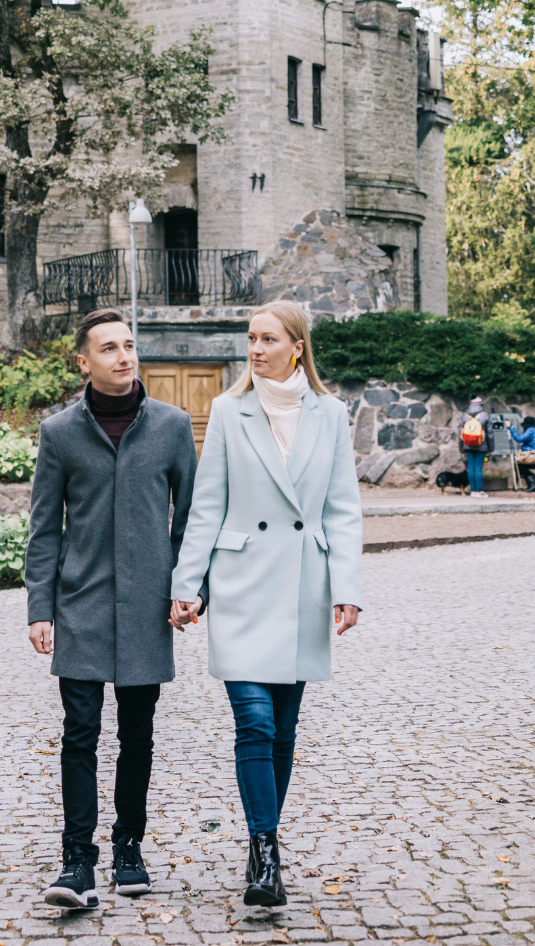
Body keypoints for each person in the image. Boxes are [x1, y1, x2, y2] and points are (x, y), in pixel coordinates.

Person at [167, 299, 364, 909]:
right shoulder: (229, 411)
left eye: (267, 339)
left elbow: (342, 508)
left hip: (305, 585)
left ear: (296, 346)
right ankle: (265, 849)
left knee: (283, 729)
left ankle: (263, 842)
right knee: (253, 721)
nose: (255, 349)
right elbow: (207, 505)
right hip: (243, 582)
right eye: (250, 338)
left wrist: (346, 588)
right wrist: (185, 583)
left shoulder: (331, 415)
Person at [25, 308, 199, 908]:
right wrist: (38, 607)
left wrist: (188, 586)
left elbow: (193, 522)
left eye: (129, 346)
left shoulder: (173, 427)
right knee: (79, 733)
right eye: (108, 348)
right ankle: (77, 861)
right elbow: (44, 529)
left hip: (150, 607)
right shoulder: (60, 433)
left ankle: (129, 848)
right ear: (84, 362)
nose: (123, 356)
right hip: (80, 604)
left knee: (138, 735)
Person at [459, 397, 491, 498]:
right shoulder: (485, 416)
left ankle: (473, 491)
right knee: (478, 468)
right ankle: (479, 491)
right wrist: (490, 448)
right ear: (481, 404)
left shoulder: (465, 416)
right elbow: (490, 434)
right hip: (481, 445)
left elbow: (460, 434)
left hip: (468, 446)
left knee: (471, 468)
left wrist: (462, 448)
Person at [511, 415, 535, 493]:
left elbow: (519, 439)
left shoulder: (531, 430)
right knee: (520, 466)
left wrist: (511, 428)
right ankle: (534, 483)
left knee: (519, 466)